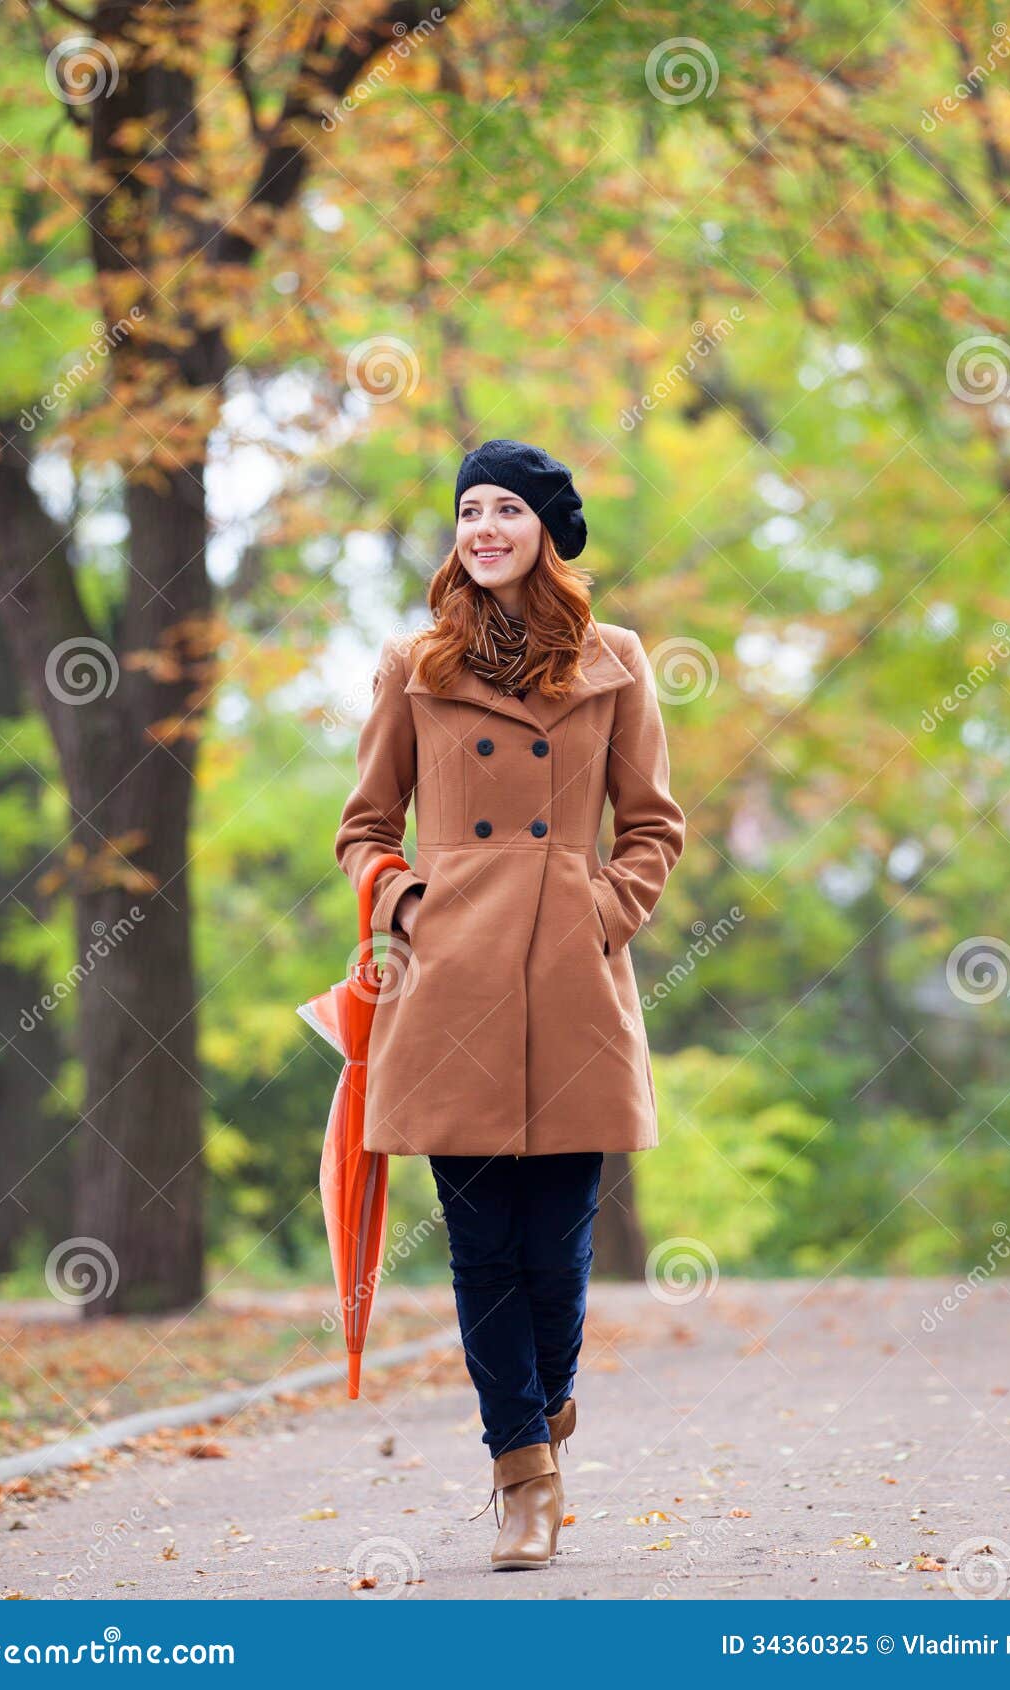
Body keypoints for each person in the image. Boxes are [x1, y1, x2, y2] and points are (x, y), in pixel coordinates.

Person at [334, 438, 685, 1571]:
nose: (481, 526)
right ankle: (521, 1469)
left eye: (505, 509)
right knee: (483, 1244)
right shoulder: (412, 664)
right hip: (450, 989)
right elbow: (361, 827)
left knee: (559, 1245)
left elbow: (652, 826)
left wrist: (600, 911)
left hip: (573, 983)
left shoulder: (616, 660)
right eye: (466, 508)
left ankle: (544, 1396)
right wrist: (405, 905)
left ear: (545, 528)